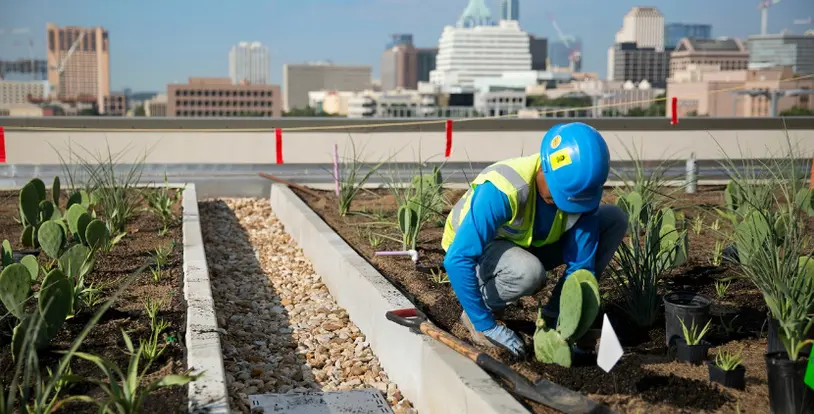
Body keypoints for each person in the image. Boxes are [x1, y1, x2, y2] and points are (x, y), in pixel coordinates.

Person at [441, 122, 628, 359]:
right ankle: (479, 312)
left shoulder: (581, 196)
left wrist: (565, 323)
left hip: (530, 244)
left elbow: (581, 268)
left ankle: (553, 315)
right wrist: (485, 325)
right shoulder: (504, 188)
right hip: (479, 252)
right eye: (558, 194)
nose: (564, 204)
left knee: (613, 219)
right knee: (528, 272)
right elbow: (458, 259)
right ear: (544, 167)